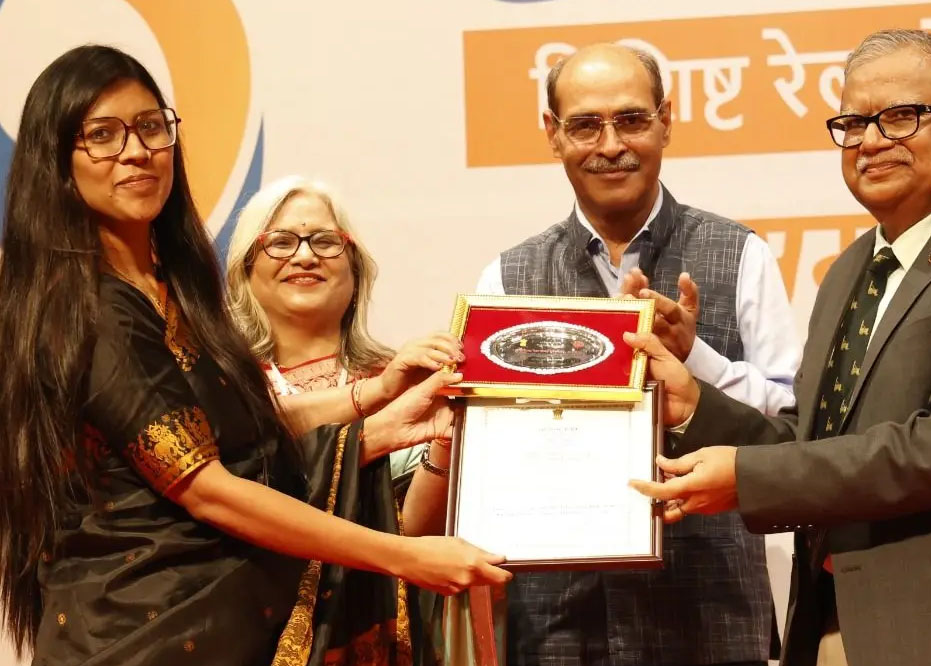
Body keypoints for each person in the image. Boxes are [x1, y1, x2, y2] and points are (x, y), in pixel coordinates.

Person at [0, 45, 510, 666]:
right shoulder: (89, 306)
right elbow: (207, 488)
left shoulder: (173, 287)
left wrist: (371, 399)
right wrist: (404, 556)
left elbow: (231, 429)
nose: (136, 151)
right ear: (56, 160)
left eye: (151, 126)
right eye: (102, 135)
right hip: (136, 634)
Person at [626, 29, 931, 666]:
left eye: (900, 117)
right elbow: (811, 439)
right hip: (830, 623)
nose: (871, 141)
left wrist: (747, 480)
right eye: (853, 123)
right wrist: (693, 406)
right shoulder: (852, 269)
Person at [476, 43, 800, 666]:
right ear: (552, 134)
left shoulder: (740, 254)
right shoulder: (507, 279)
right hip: (556, 629)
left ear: (666, 121)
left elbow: (791, 437)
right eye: (584, 125)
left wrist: (695, 357)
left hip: (709, 617)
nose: (610, 145)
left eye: (631, 120)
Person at [225, 176, 465, 664]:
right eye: (281, 242)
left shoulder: (401, 378)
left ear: (355, 270)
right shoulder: (220, 384)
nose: (305, 256)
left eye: (325, 241)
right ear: (245, 271)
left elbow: (412, 537)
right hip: (250, 632)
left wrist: (446, 438)